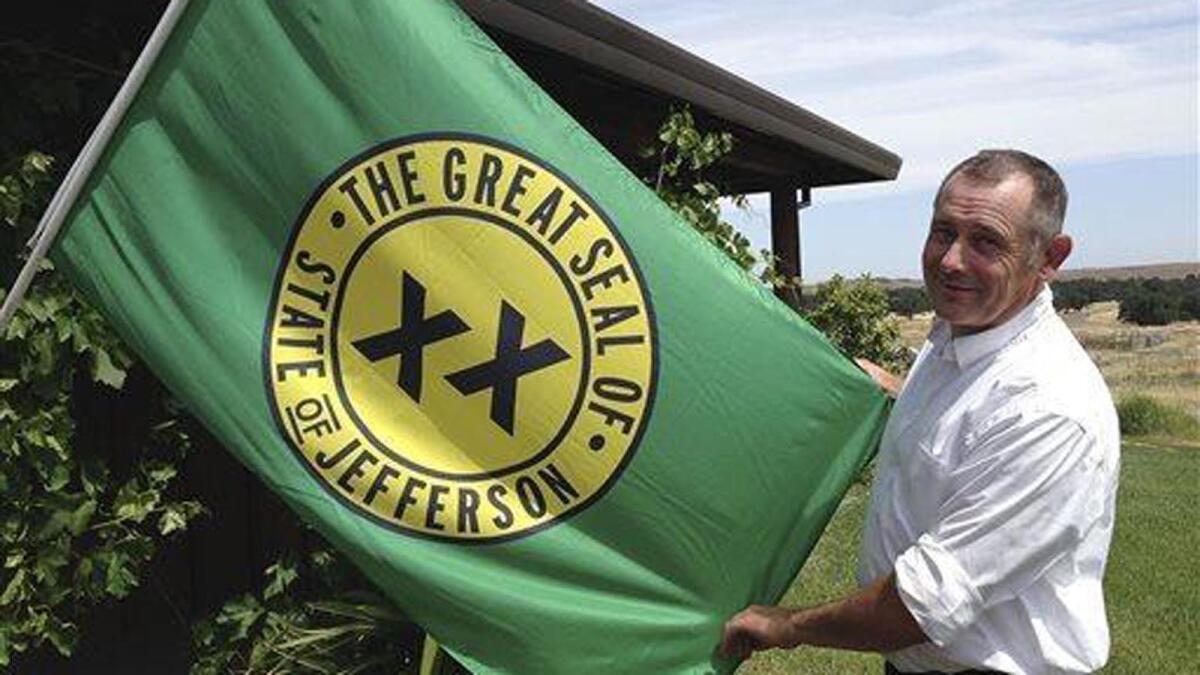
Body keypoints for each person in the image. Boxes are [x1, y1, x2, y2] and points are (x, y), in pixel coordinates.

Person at [721, 150, 1120, 674]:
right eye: (943, 232)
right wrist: (888, 389)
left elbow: (921, 603)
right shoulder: (961, 336)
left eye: (986, 241)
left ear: (1050, 257)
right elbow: (965, 419)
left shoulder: (1050, 410)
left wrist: (786, 626)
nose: (952, 260)